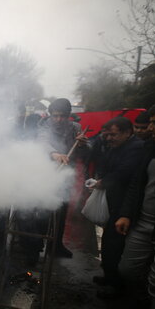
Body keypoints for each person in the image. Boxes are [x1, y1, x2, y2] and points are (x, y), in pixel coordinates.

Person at [115, 100, 155, 309]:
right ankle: (148, 305)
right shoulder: (151, 149)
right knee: (128, 269)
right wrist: (126, 213)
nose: (150, 128)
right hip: (143, 223)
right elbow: (137, 183)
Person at [88, 117, 144, 299]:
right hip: (113, 201)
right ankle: (109, 276)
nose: (109, 138)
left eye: (114, 134)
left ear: (128, 132)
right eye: (107, 134)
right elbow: (104, 165)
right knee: (108, 242)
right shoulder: (115, 147)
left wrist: (102, 182)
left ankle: (115, 285)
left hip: (123, 204)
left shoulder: (136, 148)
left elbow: (123, 172)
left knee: (115, 245)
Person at [38, 98, 90, 258]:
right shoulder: (43, 125)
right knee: (43, 209)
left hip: (66, 173)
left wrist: (82, 144)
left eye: (62, 116)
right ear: (50, 115)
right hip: (45, 172)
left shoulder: (76, 128)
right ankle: (37, 244)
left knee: (61, 210)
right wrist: (54, 154)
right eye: (55, 116)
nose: (58, 120)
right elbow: (42, 142)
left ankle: (56, 245)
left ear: (68, 116)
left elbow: (86, 152)